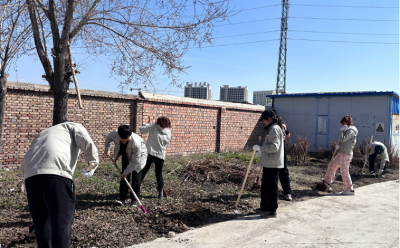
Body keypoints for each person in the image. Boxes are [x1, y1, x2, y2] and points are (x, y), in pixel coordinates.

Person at [20, 121, 99, 248]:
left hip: (30, 175)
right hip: (55, 172)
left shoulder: (43, 133)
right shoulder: (72, 126)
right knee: (61, 225)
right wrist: (93, 161)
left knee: (42, 226)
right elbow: (85, 140)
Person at [104, 125, 147, 207]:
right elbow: (108, 139)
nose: (124, 142)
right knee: (124, 178)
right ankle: (122, 198)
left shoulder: (136, 142)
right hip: (126, 156)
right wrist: (107, 149)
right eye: (122, 140)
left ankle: (134, 200)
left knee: (136, 179)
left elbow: (135, 161)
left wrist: (126, 172)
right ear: (118, 135)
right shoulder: (115, 134)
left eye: (126, 140)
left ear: (130, 136)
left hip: (139, 159)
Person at [253, 110, 285, 218]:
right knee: (265, 186)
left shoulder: (275, 129)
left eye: (265, 121)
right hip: (268, 163)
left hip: (273, 164)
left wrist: (261, 148)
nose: (264, 123)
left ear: (269, 119)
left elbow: (274, 146)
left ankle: (272, 210)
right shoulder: (271, 129)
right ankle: (264, 207)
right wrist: (261, 151)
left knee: (271, 187)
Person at [322, 115, 358, 195]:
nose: (341, 125)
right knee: (332, 164)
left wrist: (341, 131)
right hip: (341, 153)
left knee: (344, 171)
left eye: (342, 124)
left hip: (346, 155)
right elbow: (344, 141)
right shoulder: (347, 130)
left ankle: (350, 189)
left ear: (344, 123)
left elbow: (343, 139)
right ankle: (327, 182)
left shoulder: (351, 131)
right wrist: (339, 147)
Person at [140, 116, 172, 199]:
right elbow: (166, 144)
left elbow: (142, 130)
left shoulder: (154, 126)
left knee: (143, 171)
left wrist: (147, 124)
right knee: (159, 174)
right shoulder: (169, 132)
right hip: (161, 155)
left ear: (158, 122)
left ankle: (136, 188)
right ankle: (160, 193)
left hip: (150, 153)